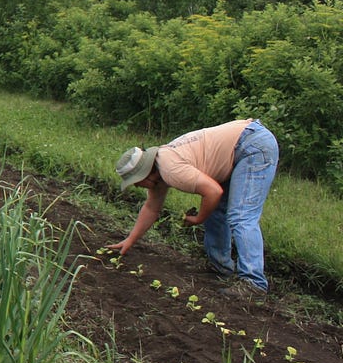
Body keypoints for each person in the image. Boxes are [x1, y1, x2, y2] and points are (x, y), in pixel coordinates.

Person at [105, 119, 278, 292]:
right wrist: (130, 240)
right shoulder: (160, 169)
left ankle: (254, 283)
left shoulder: (170, 168)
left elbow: (213, 192)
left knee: (241, 215)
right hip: (243, 144)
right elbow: (151, 208)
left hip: (252, 146)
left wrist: (198, 218)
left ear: (145, 174)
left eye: (136, 182)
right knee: (215, 210)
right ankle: (220, 268)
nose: (136, 186)